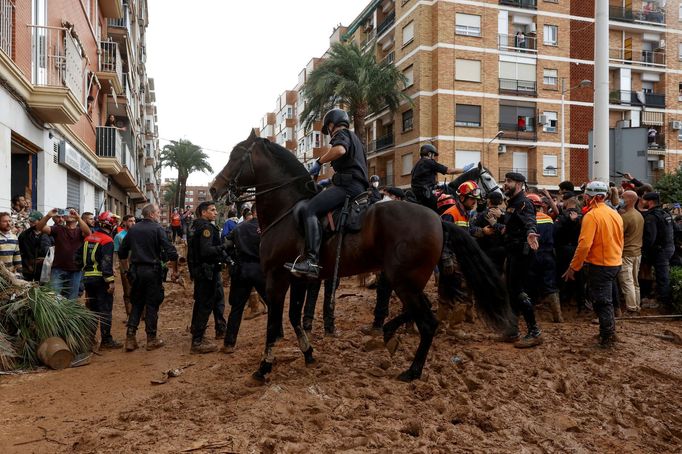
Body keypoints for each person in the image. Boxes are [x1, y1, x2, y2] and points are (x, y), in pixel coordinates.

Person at [285, 108, 369, 279]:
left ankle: (312, 261)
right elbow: (352, 166)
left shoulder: (341, 133)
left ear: (331, 124)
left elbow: (339, 151)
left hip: (349, 188)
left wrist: (319, 161)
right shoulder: (356, 139)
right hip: (356, 186)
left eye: (328, 129)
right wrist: (330, 182)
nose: (329, 133)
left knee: (310, 209)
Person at [563, 181, 623, 347]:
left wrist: (573, 267)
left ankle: (607, 338)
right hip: (614, 262)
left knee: (602, 302)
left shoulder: (592, 216)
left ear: (594, 197)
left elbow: (584, 245)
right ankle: (609, 333)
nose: (584, 199)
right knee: (608, 300)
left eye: (586, 196)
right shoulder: (614, 213)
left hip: (600, 265)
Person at [118, 204, 179, 352]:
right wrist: (174, 270)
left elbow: (122, 253)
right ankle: (151, 339)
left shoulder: (133, 230)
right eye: (158, 213)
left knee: (137, 303)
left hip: (136, 272)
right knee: (152, 304)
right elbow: (171, 252)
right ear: (151, 214)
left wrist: (127, 271)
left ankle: (130, 338)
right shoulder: (158, 229)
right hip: (152, 271)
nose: (159, 215)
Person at [499, 172, 542, 348]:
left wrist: (531, 233)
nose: (505, 184)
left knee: (517, 290)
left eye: (509, 181)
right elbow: (513, 224)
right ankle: (512, 330)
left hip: (521, 253)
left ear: (519, 184)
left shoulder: (524, 203)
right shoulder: (512, 203)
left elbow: (530, 221)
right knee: (510, 290)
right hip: (512, 252)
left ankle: (534, 332)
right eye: (505, 181)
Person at [222, 204, 269, 353]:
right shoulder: (267, 228)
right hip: (260, 269)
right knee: (273, 305)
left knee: (236, 308)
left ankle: (229, 343)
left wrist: (232, 260)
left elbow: (226, 244)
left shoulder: (239, 227)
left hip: (241, 269)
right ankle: (276, 337)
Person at [187, 201, 227, 354]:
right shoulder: (206, 228)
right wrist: (224, 247)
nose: (215, 213)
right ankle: (197, 342)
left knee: (204, 302)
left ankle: (199, 332)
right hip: (207, 272)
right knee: (205, 304)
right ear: (204, 212)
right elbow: (205, 251)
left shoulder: (195, 226)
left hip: (201, 271)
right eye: (213, 210)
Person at [77, 211, 121, 349]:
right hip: (101, 280)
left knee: (92, 310)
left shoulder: (88, 238)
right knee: (105, 310)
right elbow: (106, 263)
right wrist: (110, 281)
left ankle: (90, 340)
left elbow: (77, 257)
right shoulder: (107, 240)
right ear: (111, 224)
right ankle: (106, 341)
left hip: (88, 279)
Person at [36, 208, 91, 300]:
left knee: (72, 299)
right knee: (54, 298)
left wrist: (78, 218)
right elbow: (39, 228)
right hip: (58, 268)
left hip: (75, 269)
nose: (69, 214)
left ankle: (68, 315)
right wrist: (48, 216)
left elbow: (88, 233)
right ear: (63, 216)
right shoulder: (58, 229)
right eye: (67, 213)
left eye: (72, 212)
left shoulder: (79, 231)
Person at [526, 193, 562, 322]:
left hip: (532, 256)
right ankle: (558, 315)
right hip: (548, 256)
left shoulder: (527, 220)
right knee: (550, 284)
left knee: (529, 284)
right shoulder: (548, 218)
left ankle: (529, 315)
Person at [641, 192, 674, 309]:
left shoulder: (652, 217)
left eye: (643, 200)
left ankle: (665, 305)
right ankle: (658, 298)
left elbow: (650, 238)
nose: (642, 202)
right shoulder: (665, 213)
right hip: (668, 247)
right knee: (661, 276)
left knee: (662, 277)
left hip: (660, 251)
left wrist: (643, 251)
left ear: (649, 202)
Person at [410, 144, 467, 211]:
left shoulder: (416, 165)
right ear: (429, 154)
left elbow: (422, 180)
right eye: (433, 155)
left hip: (418, 193)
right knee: (447, 201)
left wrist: (437, 186)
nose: (434, 158)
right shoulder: (429, 162)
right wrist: (463, 170)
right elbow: (448, 171)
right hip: (427, 194)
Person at [617, 190, 644, 315]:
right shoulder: (639, 215)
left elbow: (618, 235)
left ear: (630, 200)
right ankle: (636, 305)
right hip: (637, 252)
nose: (620, 200)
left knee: (627, 282)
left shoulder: (625, 217)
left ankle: (631, 308)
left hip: (626, 253)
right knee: (635, 281)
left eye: (623, 197)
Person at [470, 191, 505, 274]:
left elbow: (471, 229)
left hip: (484, 249)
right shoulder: (505, 215)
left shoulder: (482, 215)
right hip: (501, 250)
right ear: (500, 201)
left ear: (488, 201)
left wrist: (482, 231)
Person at [18, 211, 51, 282]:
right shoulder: (24, 235)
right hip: (29, 268)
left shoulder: (49, 234)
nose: (31, 223)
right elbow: (21, 252)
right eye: (30, 221)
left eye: (33, 221)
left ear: (41, 220)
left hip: (45, 269)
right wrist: (28, 265)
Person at [114, 215, 136, 320]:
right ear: (124, 222)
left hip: (137, 266)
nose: (133, 223)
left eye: (134, 221)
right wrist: (114, 266)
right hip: (125, 267)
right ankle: (129, 315)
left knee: (140, 290)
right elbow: (116, 252)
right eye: (130, 221)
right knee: (127, 291)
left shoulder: (138, 234)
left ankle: (142, 314)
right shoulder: (119, 236)